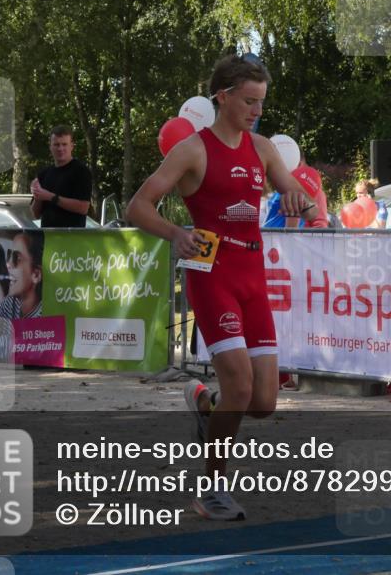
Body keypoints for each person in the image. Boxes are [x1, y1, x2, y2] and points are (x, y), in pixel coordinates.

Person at [126, 53, 317, 521]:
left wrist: (300, 200)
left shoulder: (264, 148)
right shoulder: (192, 149)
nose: (256, 110)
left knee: (264, 403)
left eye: (262, 103)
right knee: (240, 383)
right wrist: (175, 233)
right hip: (212, 276)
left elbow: (305, 201)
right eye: (249, 101)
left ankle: (205, 404)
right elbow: (138, 206)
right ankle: (211, 489)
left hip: (252, 277)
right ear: (223, 96)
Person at [0, 231, 44, 362]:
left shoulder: (43, 315)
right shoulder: (13, 302)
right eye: (8, 256)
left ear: (35, 275)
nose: (8, 264)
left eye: (17, 258)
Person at [31, 125, 92, 228]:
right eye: (56, 144)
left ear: (71, 146)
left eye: (64, 144)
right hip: (47, 237)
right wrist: (38, 194)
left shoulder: (81, 171)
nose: (60, 148)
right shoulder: (44, 173)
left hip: (71, 237)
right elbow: (35, 214)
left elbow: (83, 208)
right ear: (50, 147)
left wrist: (50, 197)